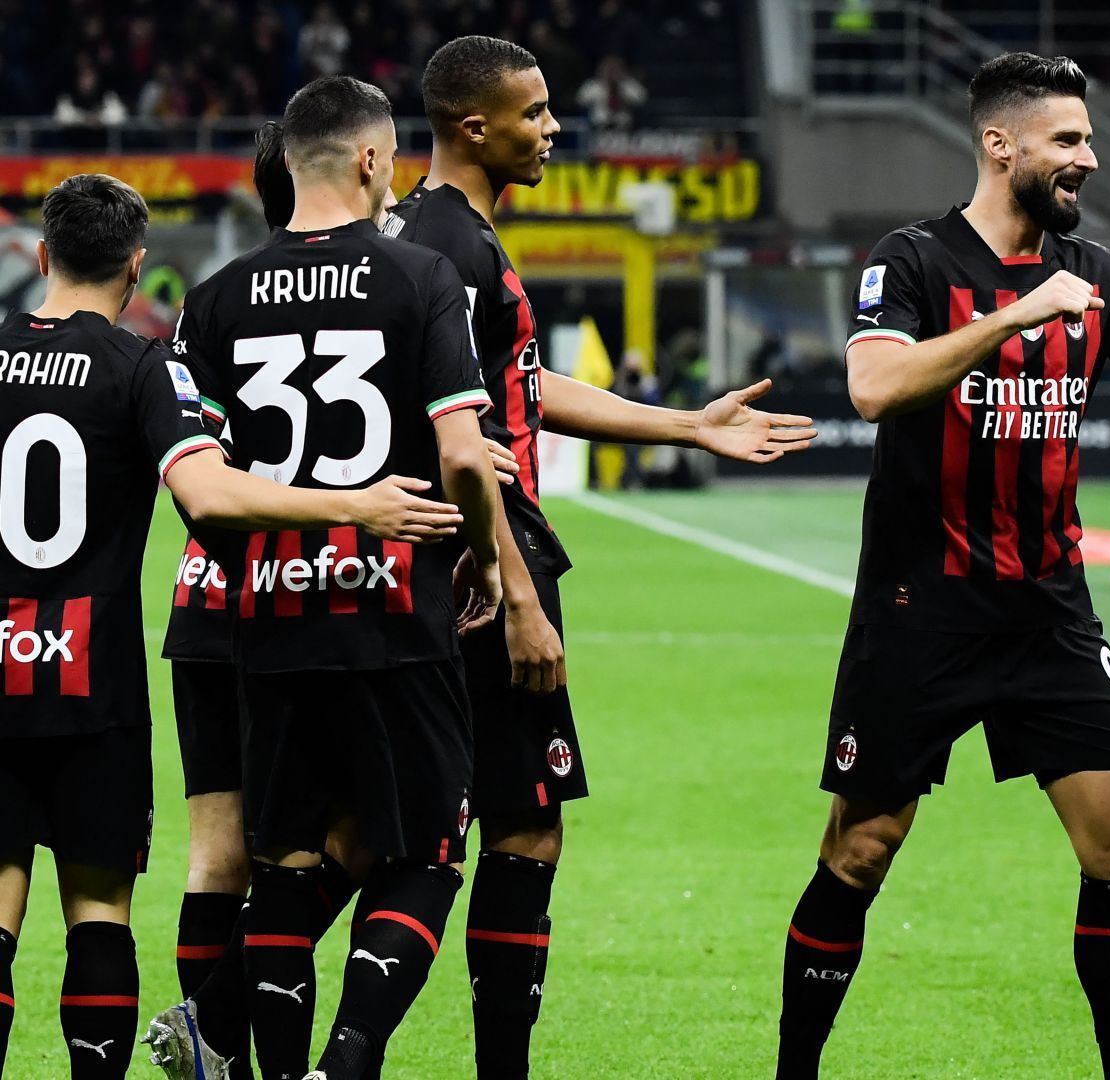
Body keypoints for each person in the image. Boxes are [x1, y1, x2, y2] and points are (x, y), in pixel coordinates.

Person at [777, 52, 1110, 1079]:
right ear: (998, 144)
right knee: (862, 849)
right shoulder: (914, 259)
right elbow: (874, 387)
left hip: (1050, 611)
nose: (1088, 159)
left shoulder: (1099, 278)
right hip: (922, 606)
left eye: (1088, 140)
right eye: (1068, 141)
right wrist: (1011, 316)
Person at [379, 35, 815, 1080]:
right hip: (487, 567)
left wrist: (688, 426)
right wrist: (519, 594)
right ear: (474, 127)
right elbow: (470, 441)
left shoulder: (430, 236)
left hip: (433, 569)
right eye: (535, 114)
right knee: (516, 832)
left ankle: (242, 1012)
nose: (554, 129)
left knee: (382, 835)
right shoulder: (459, 248)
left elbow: (521, 389)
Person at [0, 172, 464, 1080]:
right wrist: (353, 508)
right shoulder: (140, 367)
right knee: (98, 910)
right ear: (137, 267)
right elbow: (208, 496)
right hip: (89, 681)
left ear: (43, 256)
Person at [147, 118, 515, 1080]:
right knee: (427, 855)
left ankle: (246, 1057)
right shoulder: (421, 278)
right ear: (369, 160)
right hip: (396, 616)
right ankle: (348, 1061)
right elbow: (465, 456)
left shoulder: (214, 299)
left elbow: (202, 491)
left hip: (269, 618)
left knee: (288, 865)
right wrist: (481, 555)